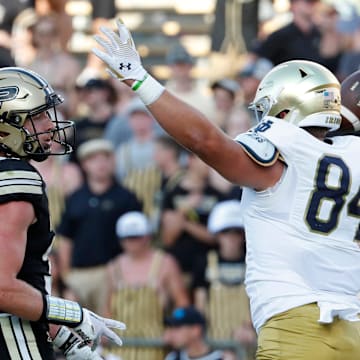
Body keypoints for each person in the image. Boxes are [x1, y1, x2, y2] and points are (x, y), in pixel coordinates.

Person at [93, 20, 360, 359]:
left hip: (297, 325)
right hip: (352, 326)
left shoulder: (284, 146)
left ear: (285, 108)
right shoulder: (352, 154)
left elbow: (205, 142)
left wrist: (141, 80)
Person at [0, 67, 125, 359]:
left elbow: (23, 284)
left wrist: (66, 340)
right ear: (9, 123)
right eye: (38, 115)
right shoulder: (17, 179)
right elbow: (4, 288)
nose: (49, 124)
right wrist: (72, 313)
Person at [57, 138, 142, 316]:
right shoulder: (75, 198)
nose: (101, 164)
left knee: (108, 325)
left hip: (112, 272)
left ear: (113, 162)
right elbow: (65, 238)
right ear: (84, 165)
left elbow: (137, 239)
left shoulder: (126, 197)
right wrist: (66, 275)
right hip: (79, 274)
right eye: (94, 159)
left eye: (105, 158)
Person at [105, 211, 189, 360]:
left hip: (155, 345)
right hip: (121, 347)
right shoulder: (114, 267)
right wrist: (105, 332)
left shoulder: (165, 262)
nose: (132, 242)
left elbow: (182, 303)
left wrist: (175, 329)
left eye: (136, 237)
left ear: (148, 237)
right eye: (127, 238)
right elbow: (108, 308)